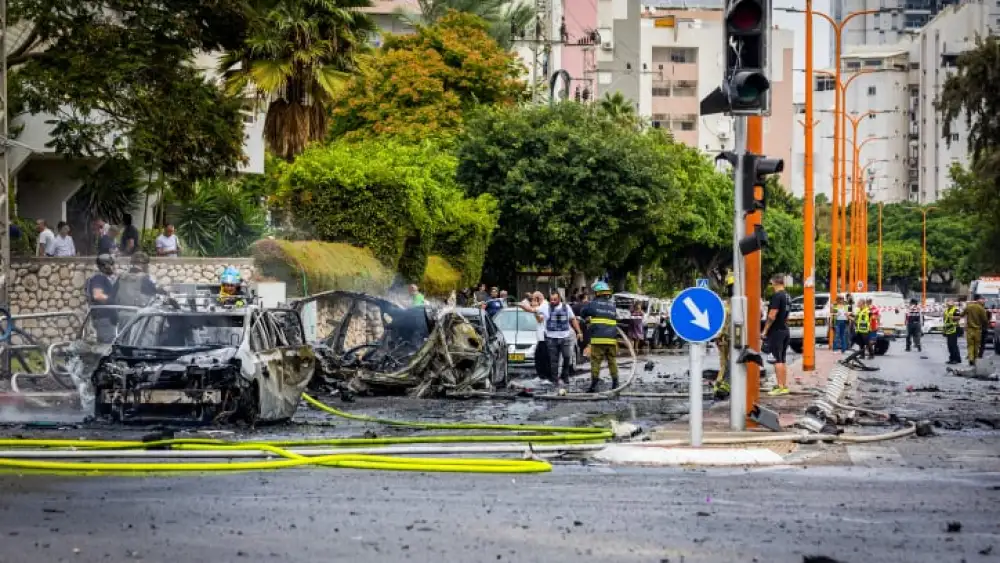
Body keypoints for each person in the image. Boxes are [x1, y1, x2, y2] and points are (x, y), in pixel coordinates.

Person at [529, 291, 582, 390]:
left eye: (555, 299)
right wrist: (525, 307)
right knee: (553, 360)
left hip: (565, 337)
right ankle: (554, 379)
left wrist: (579, 331)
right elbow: (536, 315)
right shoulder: (546, 307)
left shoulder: (566, 307)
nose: (553, 301)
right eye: (551, 299)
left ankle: (565, 376)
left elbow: (573, 319)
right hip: (551, 338)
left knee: (567, 357)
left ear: (559, 299)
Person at [580, 281, 619, 393]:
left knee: (596, 361)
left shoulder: (593, 304)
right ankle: (615, 383)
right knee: (612, 361)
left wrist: (588, 319)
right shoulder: (612, 305)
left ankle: (594, 385)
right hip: (611, 338)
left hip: (598, 338)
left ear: (597, 293)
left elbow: (583, 313)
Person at [762, 275, 791, 396]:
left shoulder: (777, 296)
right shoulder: (787, 296)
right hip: (785, 330)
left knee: (777, 359)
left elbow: (772, 315)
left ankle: (779, 386)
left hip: (777, 331)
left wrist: (765, 330)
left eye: (770, 284)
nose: (770, 286)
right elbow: (787, 314)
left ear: (775, 283)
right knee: (782, 359)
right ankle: (784, 386)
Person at [86, 254, 118, 343]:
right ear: (106, 266)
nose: (114, 267)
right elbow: (97, 295)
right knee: (107, 348)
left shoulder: (99, 278)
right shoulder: (98, 278)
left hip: (103, 319)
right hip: (104, 319)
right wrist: (114, 301)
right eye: (112, 264)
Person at [519, 292, 550, 381]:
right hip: (541, 337)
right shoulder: (541, 307)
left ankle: (546, 377)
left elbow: (530, 310)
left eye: (533, 300)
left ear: (537, 299)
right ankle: (541, 376)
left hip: (545, 337)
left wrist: (524, 306)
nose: (532, 302)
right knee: (539, 358)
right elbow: (539, 319)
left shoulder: (544, 305)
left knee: (544, 358)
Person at [961, 295, 989, 366]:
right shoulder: (981, 309)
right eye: (983, 299)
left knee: (970, 345)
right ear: (979, 300)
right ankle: (975, 359)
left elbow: (962, 314)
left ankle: (970, 358)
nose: (984, 301)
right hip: (978, 330)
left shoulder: (969, 307)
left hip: (969, 329)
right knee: (976, 346)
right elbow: (985, 320)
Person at [943, 299, 961, 364]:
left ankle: (955, 359)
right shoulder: (946, 310)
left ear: (953, 304)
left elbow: (958, 317)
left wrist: (951, 317)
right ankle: (952, 358)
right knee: (950, 345)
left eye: (950, 303)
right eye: (948, 303)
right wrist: (944, 330)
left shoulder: (956, 310)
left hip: (954, 329)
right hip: (948, 329)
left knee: (953, 345)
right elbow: (944, 320)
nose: (949, 304)